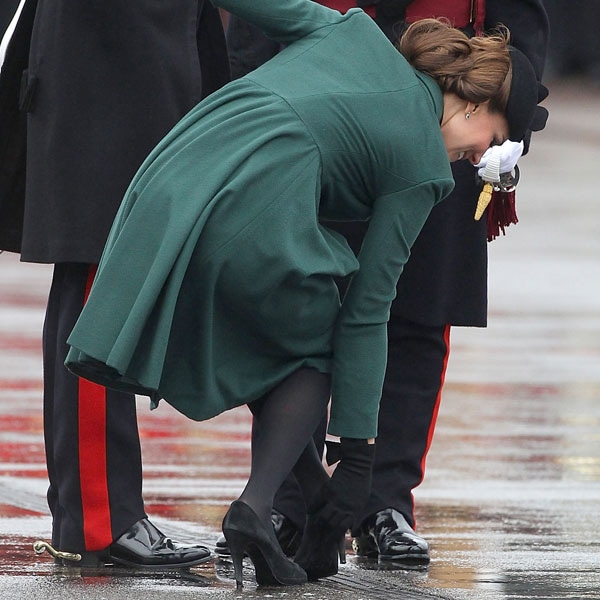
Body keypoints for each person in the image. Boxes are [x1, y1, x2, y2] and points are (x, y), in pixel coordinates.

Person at [64, 0, 547, 587]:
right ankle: (254, 506)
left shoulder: (351, 32)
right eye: (489, 140)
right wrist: (359, 453)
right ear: (474, 102)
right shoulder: (423, 167)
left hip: (178, 175)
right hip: (251, 202)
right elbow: (370, 310)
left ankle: (297, 497)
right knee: (318, 340)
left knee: (280, 330)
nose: (479, 158)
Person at [216, 0, 549, 567]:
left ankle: (383, 500)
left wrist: (506, 99)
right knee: (299, 307)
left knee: (419, 312)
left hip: (455, 92)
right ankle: (289, 499)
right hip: (327, 90)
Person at [0, 0, 230, 568]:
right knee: (99, 296)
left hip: (130, 76)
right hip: (105, 84)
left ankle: (92, 514)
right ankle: (101, 520)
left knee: (94, 292)